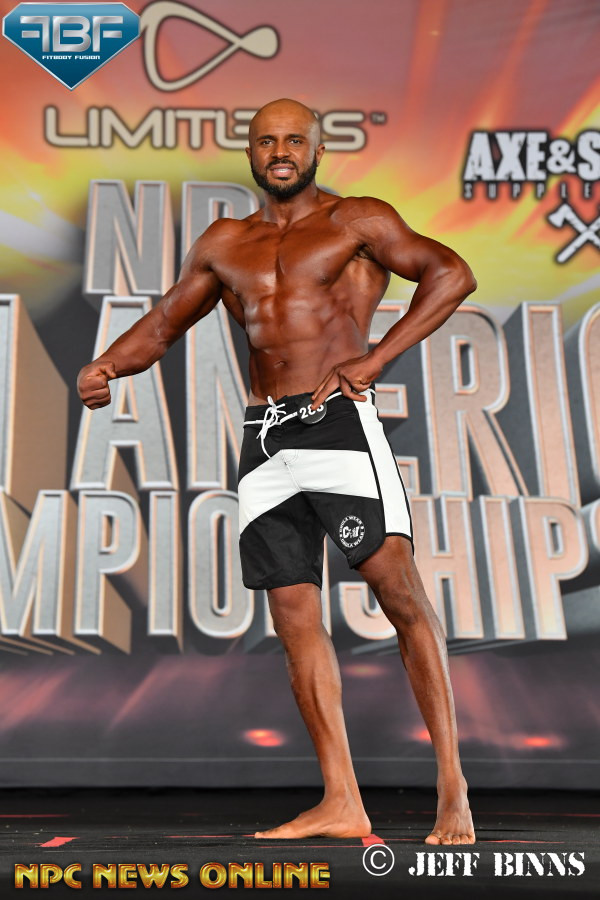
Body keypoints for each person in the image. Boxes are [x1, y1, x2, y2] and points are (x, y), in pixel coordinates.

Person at [78, 98, 477, 845]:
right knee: (293, 614)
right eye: (267, 140)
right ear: (252, 152)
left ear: (318, 149)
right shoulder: (226, 241)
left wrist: (376, 358)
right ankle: (341, 799)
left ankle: (452, 785)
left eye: (295, 139)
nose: (281, 150)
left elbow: (451, 274)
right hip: (264, 438)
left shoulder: (357, 220)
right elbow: (165, 323)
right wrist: (106, 366)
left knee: (397, 592)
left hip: (337, 424)